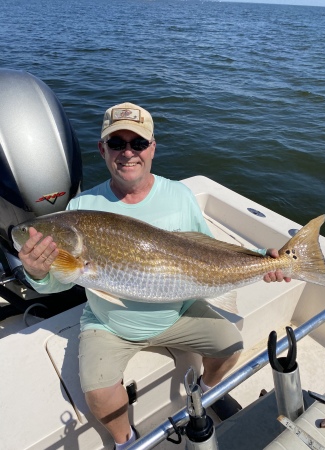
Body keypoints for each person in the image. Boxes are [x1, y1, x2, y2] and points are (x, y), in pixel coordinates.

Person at [18, 102, 291, 449]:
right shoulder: (81, 208)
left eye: (138, 143)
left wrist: (262, 263)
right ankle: (126, 441)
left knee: (230, 344)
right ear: (102, 150)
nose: (128, 152)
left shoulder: (179, 195)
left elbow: (206, 249)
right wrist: (37, 272)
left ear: (152, 148)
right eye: (117, 143)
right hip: (110, 323)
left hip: (177, 310)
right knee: (99, 392)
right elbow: (61, 280)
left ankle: (207, 394)